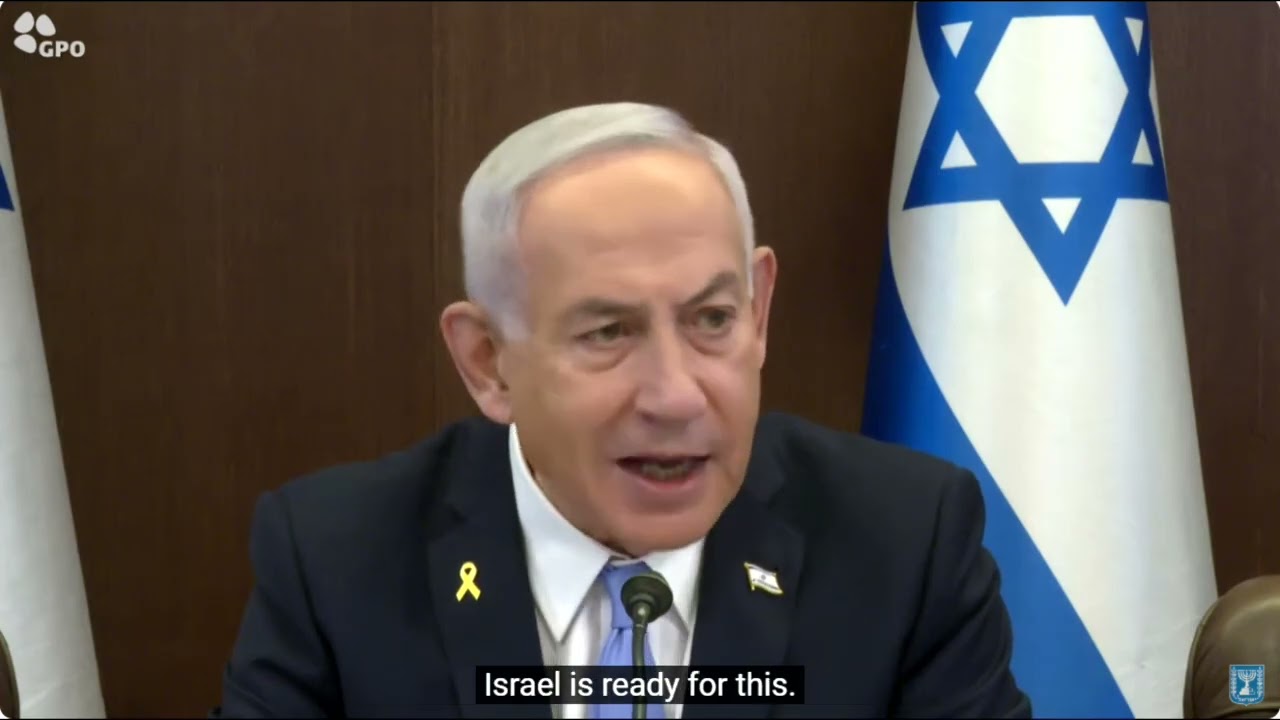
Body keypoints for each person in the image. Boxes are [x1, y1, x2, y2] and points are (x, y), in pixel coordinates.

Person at [214, 102, 1031, 719]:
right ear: (488, 362)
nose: (676, 396)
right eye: (608, 333)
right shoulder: (335, 561)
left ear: (760, 311)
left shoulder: (905, 543)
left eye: (712, 319)